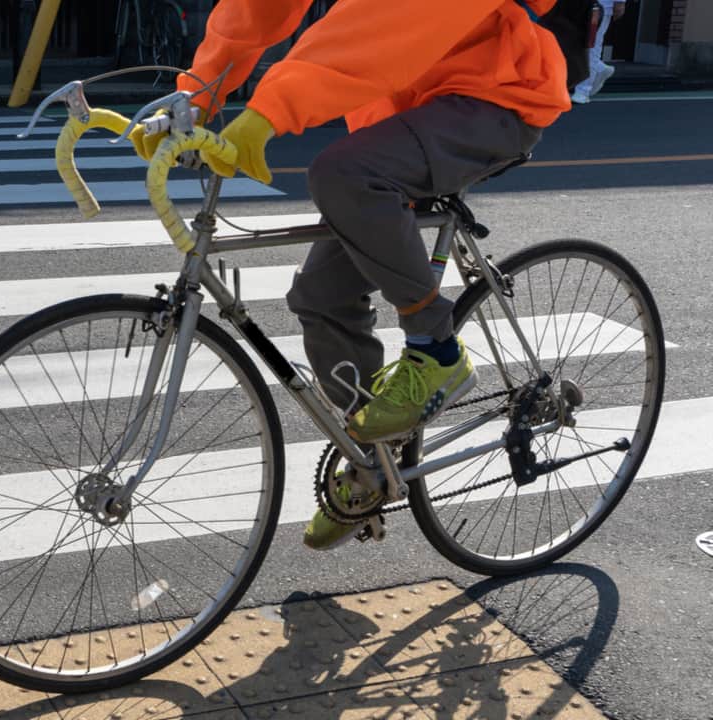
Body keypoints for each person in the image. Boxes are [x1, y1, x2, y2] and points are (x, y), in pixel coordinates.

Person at [131, 0, 569, 549]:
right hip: (405, 107)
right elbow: (256, 9)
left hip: (495, 97)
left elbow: (386, 20)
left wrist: (270, 109)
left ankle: (437, 351)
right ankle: (374, 464)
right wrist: (197, 94)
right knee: (319, 296)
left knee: (343, 173)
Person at [573, 0, 627, 103]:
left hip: (599, 7)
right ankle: (599, 67)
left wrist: (620, 2)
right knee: (574, 45)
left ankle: (583, 91)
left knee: (591, 45)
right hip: (576, 6)